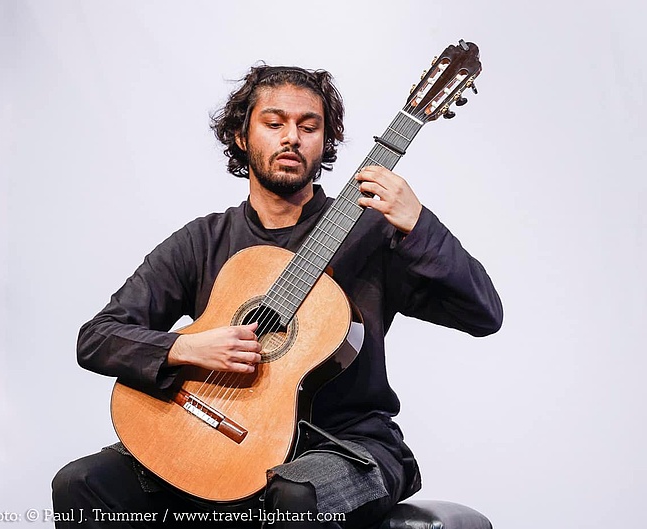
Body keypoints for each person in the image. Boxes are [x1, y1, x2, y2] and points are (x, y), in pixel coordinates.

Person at [52, 65, 503, 528]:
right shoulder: (203, 241)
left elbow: (483, 313)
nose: (292, 137)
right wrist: (186, 348)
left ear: (326, 141)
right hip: (219, 435)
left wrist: (418, 223)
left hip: (344, 445)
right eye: (274, 123)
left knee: (292, 494)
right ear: (241, 136)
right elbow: (97, 338)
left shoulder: (372, 235)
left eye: (309, 127)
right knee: (81, 483)